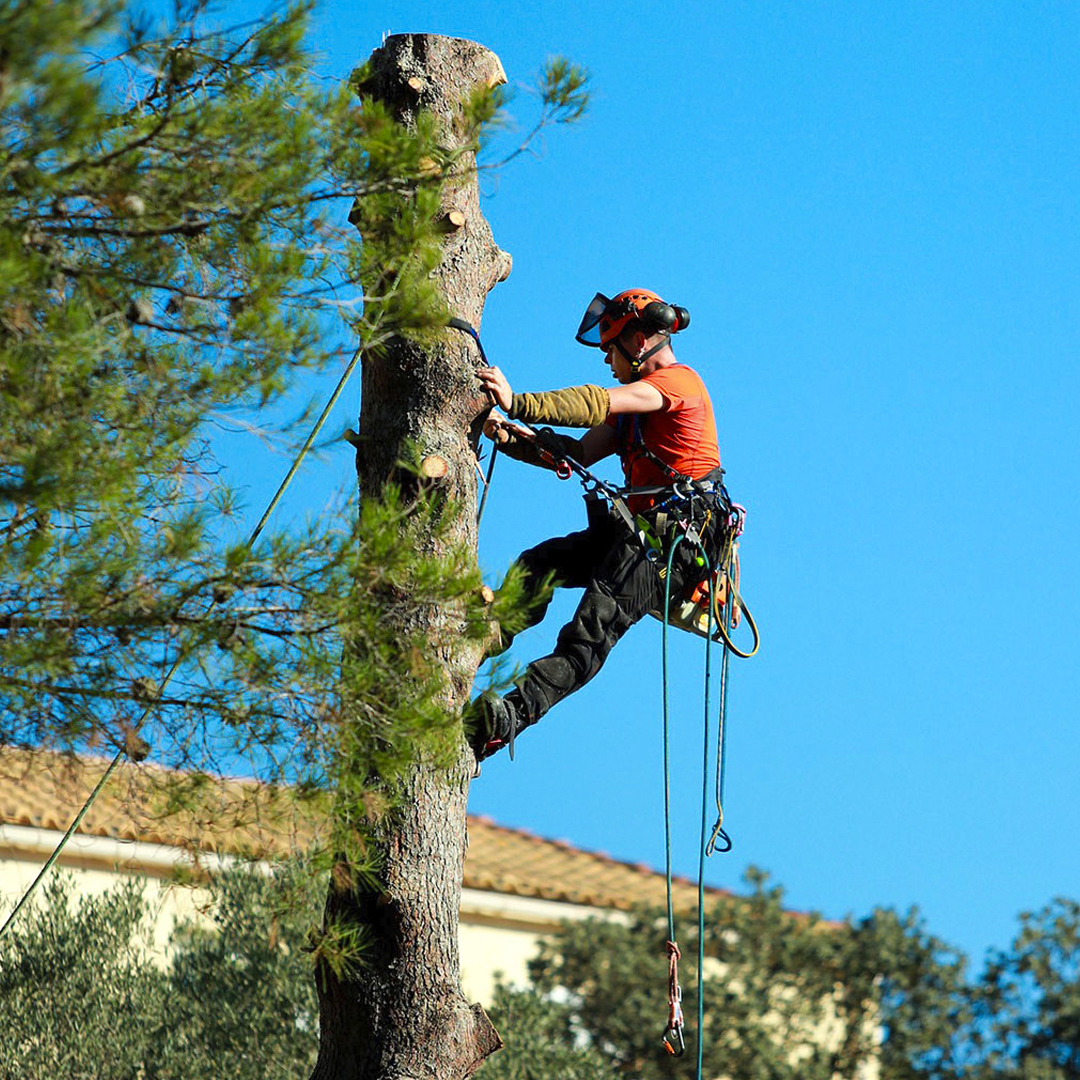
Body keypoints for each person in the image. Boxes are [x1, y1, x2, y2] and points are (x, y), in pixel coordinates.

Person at [471, 288, 725, 759]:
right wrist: (511, 437)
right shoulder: (634, 415)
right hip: (639, 533)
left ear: (639, 341)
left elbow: (593, 403)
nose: (607, 359)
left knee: (589, 632)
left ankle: (509, 718)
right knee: (540, 563)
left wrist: (518, 402)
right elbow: (579, 451)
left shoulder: (676, 384)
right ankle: (485, 634)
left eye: (611, 347)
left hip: (673, 541)